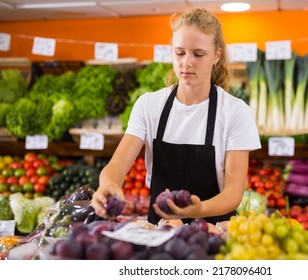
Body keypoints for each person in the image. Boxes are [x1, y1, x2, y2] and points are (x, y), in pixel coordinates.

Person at [91, 8, 261, 225]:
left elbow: (233, 192)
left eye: (198, 54)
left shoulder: (235, 112)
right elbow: (117, 165)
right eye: (179, 52)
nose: (186, 62)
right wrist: (109, 185)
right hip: (160, 229)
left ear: (217, 55)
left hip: (213, 230)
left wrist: (199, 210)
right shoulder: (149, 105)